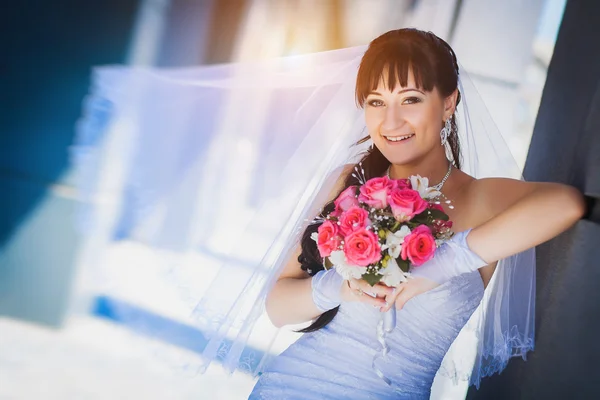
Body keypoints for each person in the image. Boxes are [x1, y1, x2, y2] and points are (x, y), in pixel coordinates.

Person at [248, 28, 585, 399]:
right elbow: (277, 308)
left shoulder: (482, 195)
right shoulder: (348, 182)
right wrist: (343, 287)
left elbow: (566, 205)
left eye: (410, 100)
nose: (390, 123)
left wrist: (443, 263)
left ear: (448, 103)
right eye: (376, 102)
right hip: (289, 386)